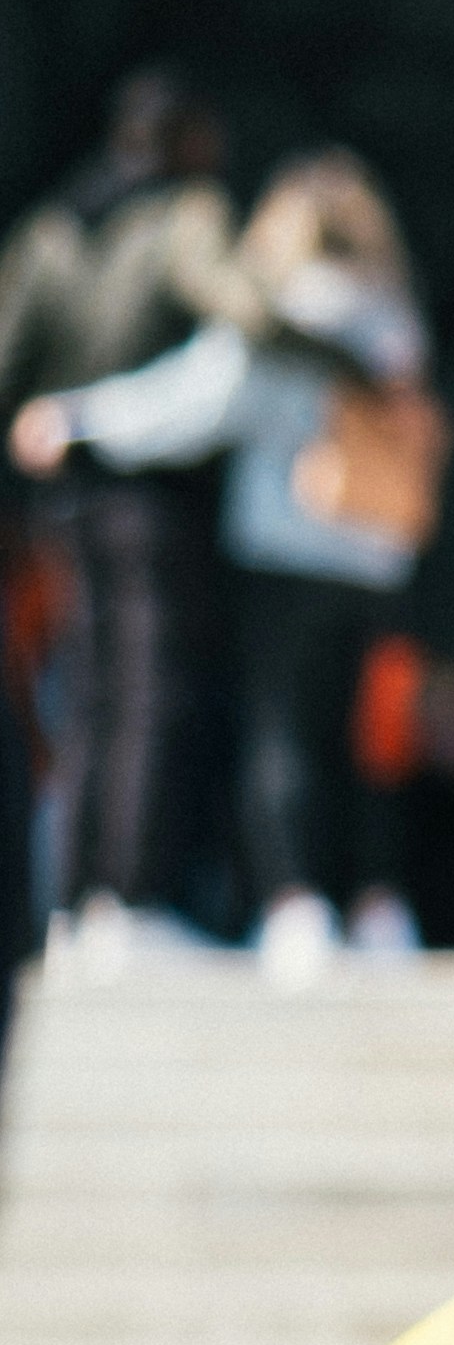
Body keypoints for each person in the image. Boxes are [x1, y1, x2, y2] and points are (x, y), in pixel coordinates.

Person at [14, 152, 442, 980]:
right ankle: (376, 907)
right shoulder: (394, 317)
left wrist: (77, 419)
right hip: (372, 558)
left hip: (284, 551)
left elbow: (191, 405)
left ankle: (295, 904)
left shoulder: (280, 315)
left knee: (281, 733)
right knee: (357, 736)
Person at [0, 69, 238, 962]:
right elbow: (237, 305)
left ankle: (69, 903)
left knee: (86, 694)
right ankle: (129, 901)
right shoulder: (183, 215)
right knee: (149, 688)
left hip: (59, 483)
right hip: (149, 488)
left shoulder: (51, 230)